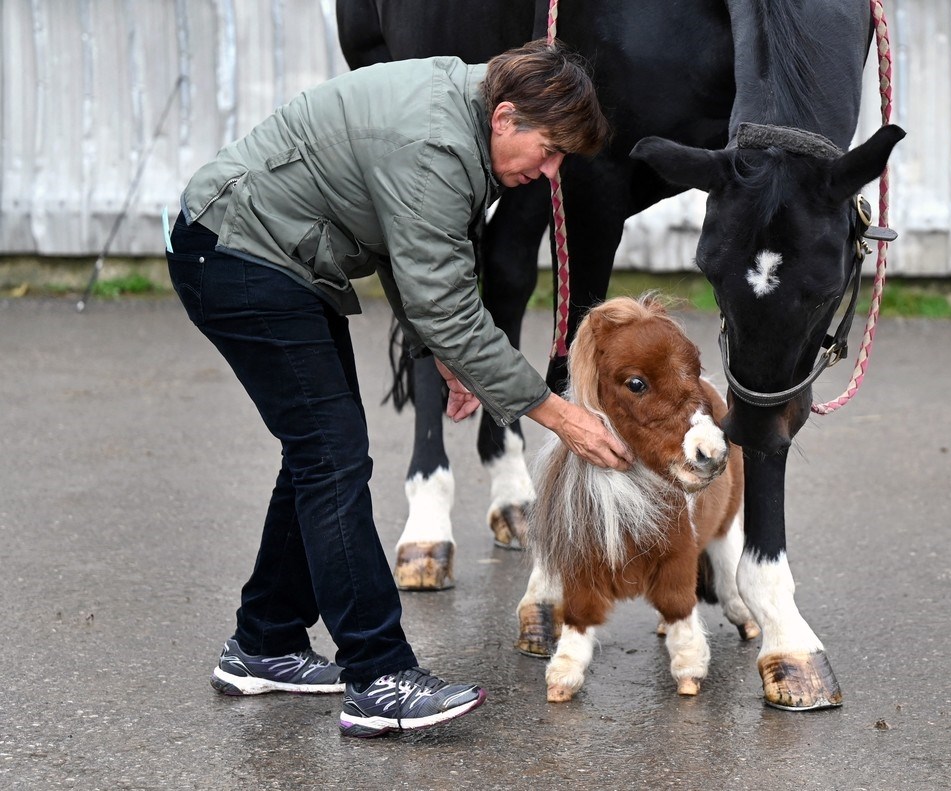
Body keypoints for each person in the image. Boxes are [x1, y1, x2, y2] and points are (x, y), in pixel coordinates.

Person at [165, 40, 631, 738]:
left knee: (321, 454)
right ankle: (378, 674)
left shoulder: (465, 117)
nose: (552, 170)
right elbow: (446, 297)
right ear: (506, 117)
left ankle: (265, 640)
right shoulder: (437, 145)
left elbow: (413, 247)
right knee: (332, 457)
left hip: (272, 255)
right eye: (551, 148)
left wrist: (438, 352)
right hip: (239, 255)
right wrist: (560, 414)